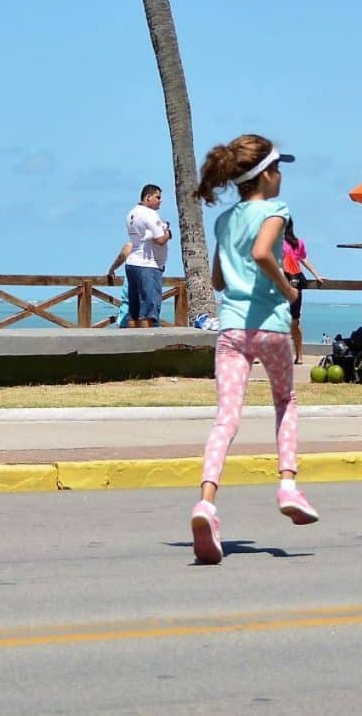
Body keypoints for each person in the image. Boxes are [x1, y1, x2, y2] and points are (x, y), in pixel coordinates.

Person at [188, 135, 315, 564]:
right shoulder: (276, 211)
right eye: (279, 170)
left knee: (227, 416)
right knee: (285, 400)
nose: (282, 179)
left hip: (231, 328)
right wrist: (288, 290)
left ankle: (206, 502)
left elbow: (219, 281)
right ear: (267, 175)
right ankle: (287, 485)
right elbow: (264, 252)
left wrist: (241, 272)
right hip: (271, 326)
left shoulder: (225, 220)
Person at [107, 185, 171, 328]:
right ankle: (148, 346)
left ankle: (133, 343)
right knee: (148, 312)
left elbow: (139, 238)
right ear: (148, 197)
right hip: (148, 265)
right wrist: (168, 233)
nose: (160, 201)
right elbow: (159, 240)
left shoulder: (131, 214)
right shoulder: (150, 214)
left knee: (134, 312)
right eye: (158, 197)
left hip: (132, 263)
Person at [282, 218, 324, 365]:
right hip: (296, 281)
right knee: (294, 321)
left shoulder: (281, 243)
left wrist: (316, 275)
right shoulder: (296, 242)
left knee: (291, 321)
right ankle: (298, 356)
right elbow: (303, 260)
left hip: (286, 281)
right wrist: (316, 275)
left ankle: (296, 355)